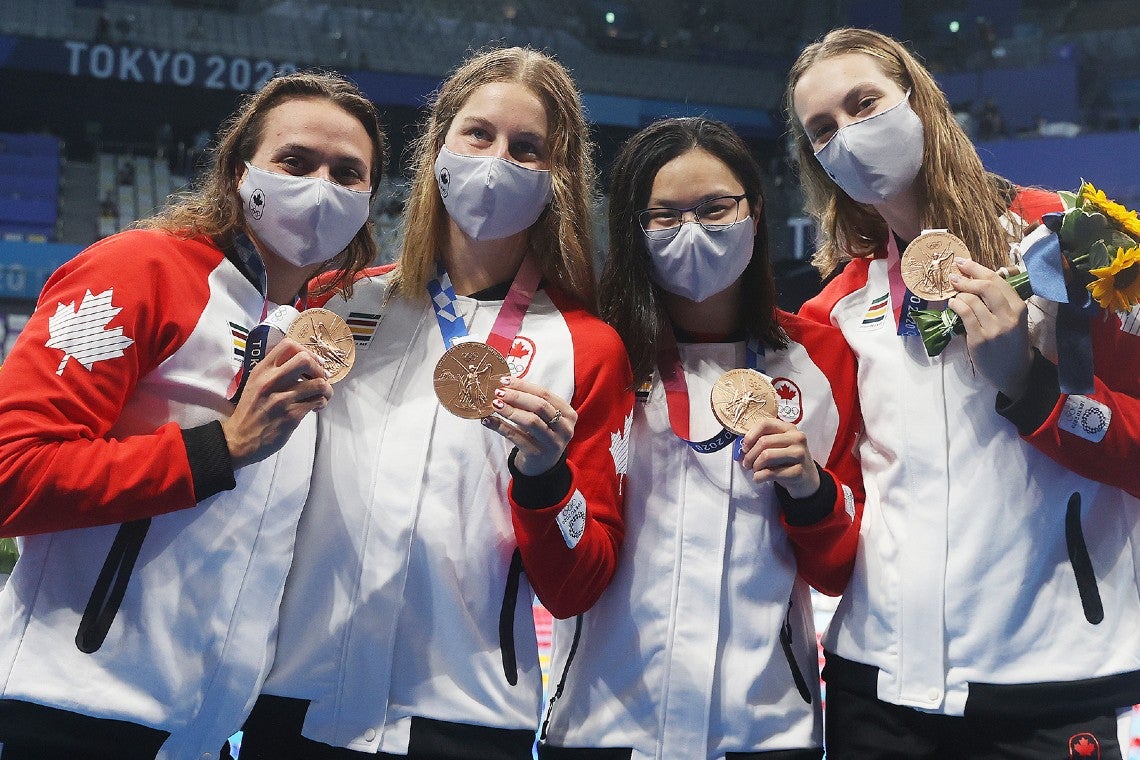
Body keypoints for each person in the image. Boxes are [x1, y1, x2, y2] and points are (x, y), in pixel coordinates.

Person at [234, 46, 634, 760]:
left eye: (528, 148)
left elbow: (582, 580)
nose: (496, 160)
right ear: (439, 147)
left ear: (558, 178)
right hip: (294, 697)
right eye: (478, 134)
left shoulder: (587, 345)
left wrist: (545, 477)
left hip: (466, 720)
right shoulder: (340, 302)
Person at [0, 70, 387, 758]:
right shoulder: (140, 269)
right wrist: (222, 447)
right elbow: (12, 471)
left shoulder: (311, 332)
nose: (322, 186)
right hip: (66, 712)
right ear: (240, 172)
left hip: (201, 737)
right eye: (296, 162)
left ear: (368, 201)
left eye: (347, 173)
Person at [786, 27, 1140, 758]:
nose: (848, 137)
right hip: (873, 689)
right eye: (823, 130)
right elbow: (846, 509)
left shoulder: (1081, 241)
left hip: (1053, 682)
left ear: (920, 101)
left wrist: (1033, 388)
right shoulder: (837, 311)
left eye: (865, 104)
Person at [536, 117, 864, 760]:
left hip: (764, 730)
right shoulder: (595, 354)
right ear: (633, 229)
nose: (692, 231)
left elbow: (836, 569)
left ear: (756, 210)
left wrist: (810, 491)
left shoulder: (821, 358)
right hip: (604, 724)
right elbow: (563, 562)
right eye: (663, 215)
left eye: (716, 207)